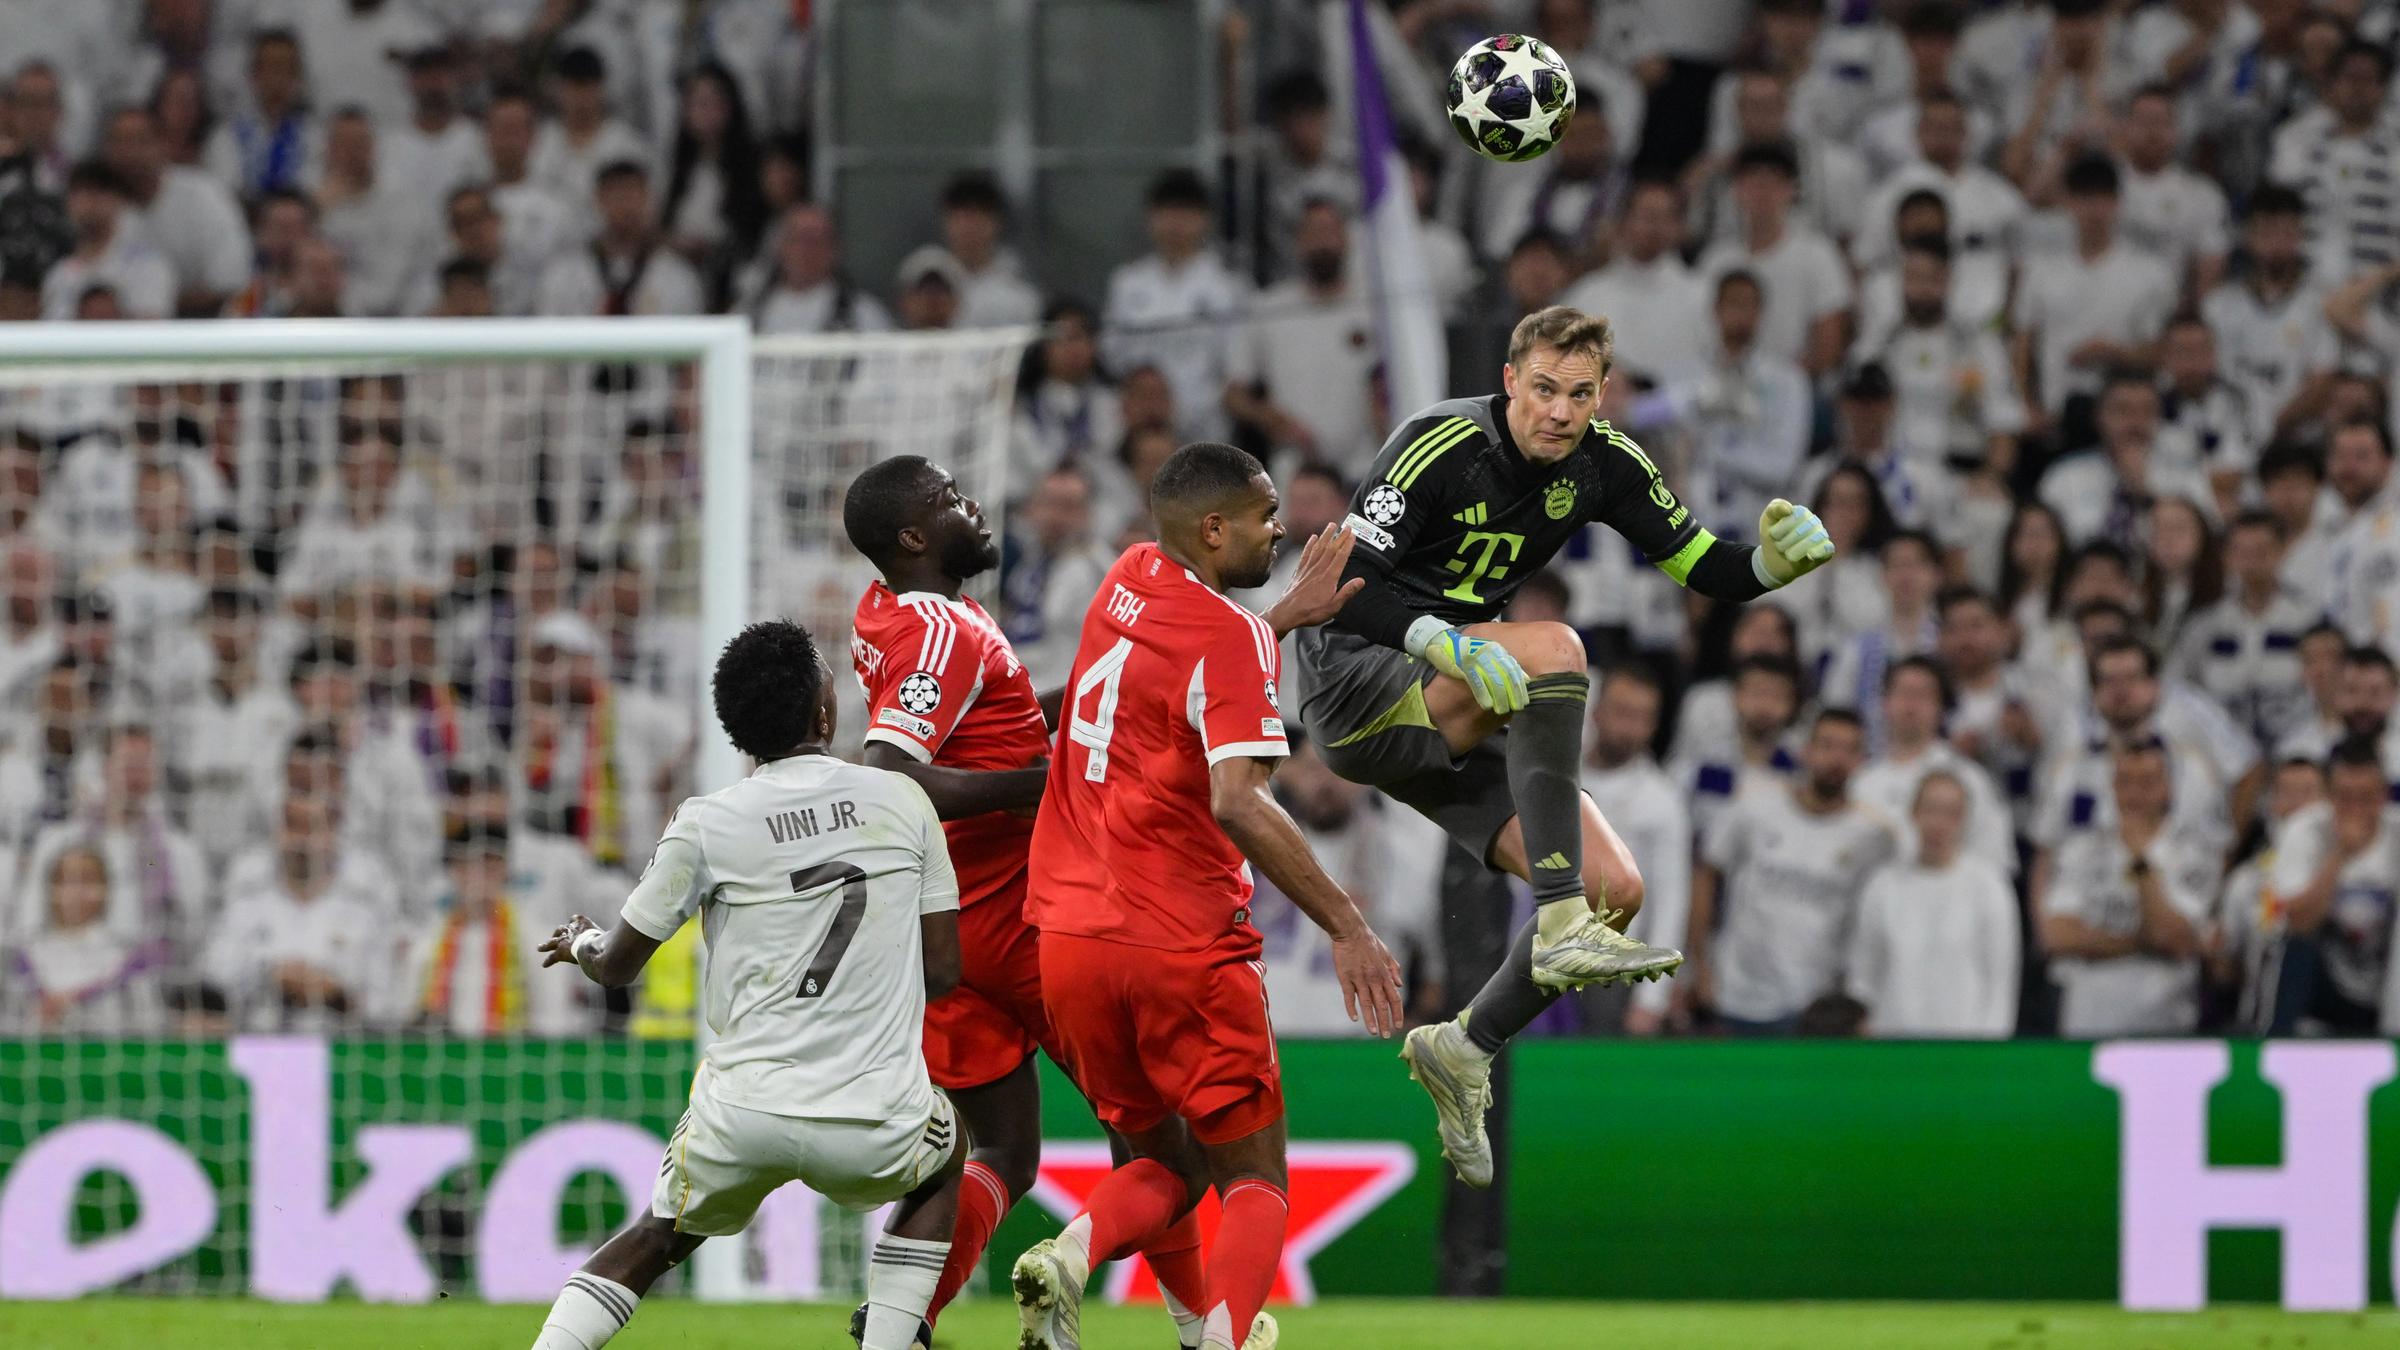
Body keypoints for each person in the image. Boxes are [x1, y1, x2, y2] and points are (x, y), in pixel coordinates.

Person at [1295, 305, 1836, 1186]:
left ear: (1601, 395)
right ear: (1511, 380)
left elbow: (1703, 563)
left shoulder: (1606, 464)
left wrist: (1769, 568)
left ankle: (1466, 1046)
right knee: (1557, 647)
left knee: (1617, 890)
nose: (1559, 411)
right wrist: (1443, 639)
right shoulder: (1437, 441)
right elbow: (1342, 583)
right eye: (1543, 388)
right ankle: (1557, 917)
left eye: (1578, 394)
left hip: (1462, 697)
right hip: (1356, 682)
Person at [843, 453, 1355, 1346]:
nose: (975, 503)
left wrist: (1269, 623)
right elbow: (889, 774)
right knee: (1173, 1159)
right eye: (951, 499)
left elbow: (1129, 687)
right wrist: (1041, 781)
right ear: (916, 536)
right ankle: (1197, 1322)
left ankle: (895, 1324)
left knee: (1003, 1149)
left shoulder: (895, 614)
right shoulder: (942, 632)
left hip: (940, 925)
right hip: (1029, 910)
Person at [1013, 443, 1403, 1350]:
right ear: (1215, 528)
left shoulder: (1127, 576)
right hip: (1179, 942)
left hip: (1068, 939)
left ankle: (1075, 1250)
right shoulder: (1228, 639)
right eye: (1266, 515)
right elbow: (1237, 798)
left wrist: (1278, 619)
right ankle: (1224, 1341)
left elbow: (1187, 652)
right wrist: (1346, 925)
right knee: (1256, 1176)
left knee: (1163, 1164)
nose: (1280, 529)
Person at [528, 621, 967, 1350]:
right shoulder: (902, 802)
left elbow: (617, 966)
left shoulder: (705, 823)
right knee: (949, 1157)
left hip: (744, 1112)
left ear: (737, 734)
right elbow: (945, 972)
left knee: (656, 1238)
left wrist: (580, 942)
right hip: (873, 1115)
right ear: (825, 715)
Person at [1689, 709, 1901, 1034]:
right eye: (1828, 745)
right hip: (1734, 994)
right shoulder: (1755, 805)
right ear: (1806, 750)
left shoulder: (1873, 836)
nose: (1837, 758)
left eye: (1849, 749)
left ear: (1861, 760)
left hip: (1811, 1007)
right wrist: (1699, 964)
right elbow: (1707, 871)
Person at [2039, 738, 2219, 1037]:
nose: (2134, 794)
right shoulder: (2083, 848)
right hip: (2087, 1023)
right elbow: (2056, 935)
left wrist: (2140, 862)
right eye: (2124, 782)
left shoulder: (2195, 855)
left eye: (2147, 782)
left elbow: (2172, 939)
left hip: (2165, 1025)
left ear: (2168, 788)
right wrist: (2139, 943)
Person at [1845, 771, 2021, 1037]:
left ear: (1964, 820)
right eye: (1931, 809)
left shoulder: (1988, 886)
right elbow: (1863, 975)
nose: (1939, 823)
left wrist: (1990, 1050)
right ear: (1913, 813)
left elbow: (2000, 984)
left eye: (1951, 813)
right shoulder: (1882, 885)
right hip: (1892, 1041)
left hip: (1965, 1046)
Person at [1578, 661, 1693, 1035]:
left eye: (1643, 717)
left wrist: (1652, 999)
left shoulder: (1662, 800)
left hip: (1612, 970)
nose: (1630, 728)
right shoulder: (1559, 774)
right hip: (1535, 952)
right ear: (1596, 712)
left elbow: (1671, 900)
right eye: (1622, 713)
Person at [2264, 736, 2400, 1034]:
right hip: (2326, 985)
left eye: (2365, 798)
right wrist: (2339, 855)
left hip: (2385, 983)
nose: (2354, 809)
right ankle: (2281, 1043)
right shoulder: (2304, 830)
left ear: (2383, 796)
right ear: (2327, 796)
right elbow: (2295, 922)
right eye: (2344, 797)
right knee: (2293, 948)